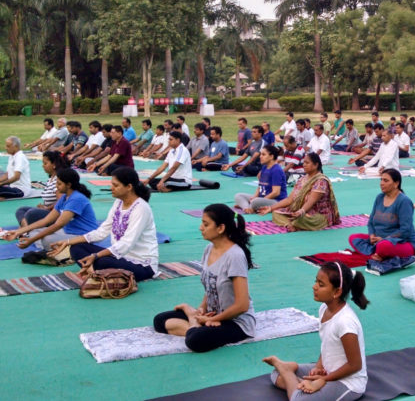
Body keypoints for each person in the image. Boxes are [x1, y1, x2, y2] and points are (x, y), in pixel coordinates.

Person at [153, 204, 255, 353]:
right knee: (159, 321)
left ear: (221, 228)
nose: (201, 228)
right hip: (213, 314)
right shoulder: (209, 249)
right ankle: (195, 323)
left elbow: (242, 305)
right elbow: (211, 285)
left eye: (206, 224)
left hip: (236, 321)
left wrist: (212, 319)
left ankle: (192, 319)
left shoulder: (235, 256)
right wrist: (202, 308)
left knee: (196, 340)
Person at [263, 261, 368, 400]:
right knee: (276, 374)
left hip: (348, 382)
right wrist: (318, 367)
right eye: (316, 282)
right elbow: (327, 344)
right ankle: (297, 379)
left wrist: (325, 379)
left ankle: (293, 378)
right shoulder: (324, 308)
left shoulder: (345, 322)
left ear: (337, 292)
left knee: (298, 399)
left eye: (321, 284)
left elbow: (355, 365)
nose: (314, 287)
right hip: (328, 370)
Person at [49, 167, 159, 281]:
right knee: (76, 248)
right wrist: (66, 242)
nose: (111, 188)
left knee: (102, 261)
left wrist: (95, 256)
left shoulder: (141, 208)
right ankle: (94, 270)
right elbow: (101, 233)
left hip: (143, 265)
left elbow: (126, 244)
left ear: (129, 187)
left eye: (115, 185)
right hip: (120, 257)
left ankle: (95, 270)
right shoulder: (118, 202)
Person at [3, 168, 98, 260]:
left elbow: (57, 225)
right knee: (35, 232)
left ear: (68, 185)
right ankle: (62, 248)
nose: (56, 186)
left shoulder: (77, 199)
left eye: (59, 183)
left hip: (85, 235)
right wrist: (18, 232)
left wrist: (31, 241)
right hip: (70, 231)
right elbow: (46, 220)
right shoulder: (65, 197)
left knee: (46, 239)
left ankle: (74, 250)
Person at [349, 169, 415, 262]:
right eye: (381, 179)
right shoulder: (379, 197)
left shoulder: (404, 201)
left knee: (383, 246)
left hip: (401, 242)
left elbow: (405, 230)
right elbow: (371, 222)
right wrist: (372, 235)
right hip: (379, 240)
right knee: (353, 238)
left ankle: (380, 252)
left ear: (396, 184)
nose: (381, 183)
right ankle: (379, 253)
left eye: (386, 180)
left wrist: (385, 239)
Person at [258, 153, 340, 232]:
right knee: (276, 213)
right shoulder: (302, 179)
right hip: (300, 212)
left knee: (301, 219)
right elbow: (289, 200)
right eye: (303, 162)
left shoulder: (321, 181)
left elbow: (311, 201)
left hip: (317, 214)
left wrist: (301, 212)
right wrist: (271, 208)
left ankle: (295, 224)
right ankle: (290, 224)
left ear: (316, 165)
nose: (304, 165)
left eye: (307, 163)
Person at [15, 151, 68, 226]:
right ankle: (26, 227)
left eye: (45, 163)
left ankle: (25, 228)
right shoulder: (50, 179)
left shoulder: (57, 181)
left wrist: (47, 208)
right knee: (21, 210)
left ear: (54, 165)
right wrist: (44, 207)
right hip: (48, 210)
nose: (43, 166)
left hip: (55, 214)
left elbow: (61, 201)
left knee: (31, 213)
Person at [234, 145, 288, 213]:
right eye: (261, 154)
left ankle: (250, 207)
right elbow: (260, 187)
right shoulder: (264, 168)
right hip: (261, 198)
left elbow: (276, 192)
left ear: (271, 156)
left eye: (263, 154)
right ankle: (247, 208)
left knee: (255, 202)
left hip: (276, 201)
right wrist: (254, 197)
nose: (260, 156)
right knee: (238, 196)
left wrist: (260, 200)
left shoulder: (276, 170)